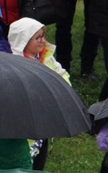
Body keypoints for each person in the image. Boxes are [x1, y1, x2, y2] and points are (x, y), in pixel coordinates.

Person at [8, 17, 70, 169]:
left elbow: (63, 76)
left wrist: (59, 90)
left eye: (43, 36)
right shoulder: (15, 65)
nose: (43, 41)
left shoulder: (47, 58)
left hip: (44, 122)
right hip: (23, 129)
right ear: (24, 41)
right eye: (38, 38)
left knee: (39, 161)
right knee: (23, 162)